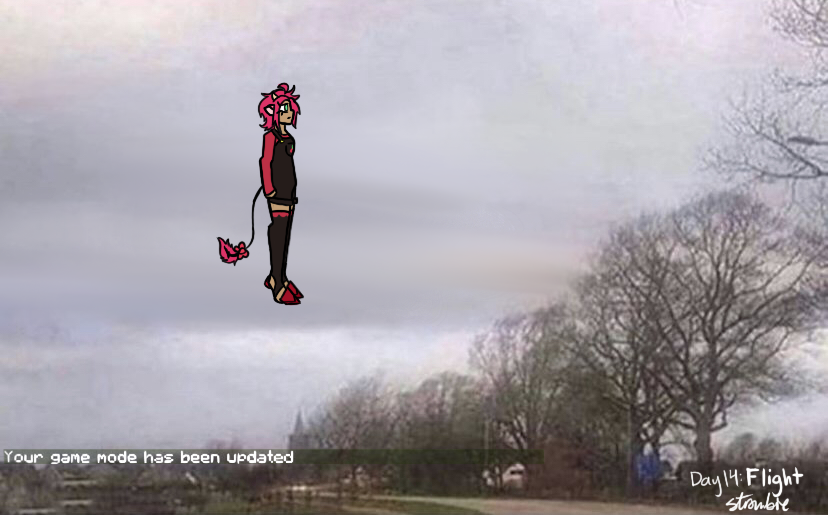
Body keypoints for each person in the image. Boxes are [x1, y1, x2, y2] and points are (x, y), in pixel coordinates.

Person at [257, 84, 304, 305]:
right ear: (273, 111)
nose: (289, 112)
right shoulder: (271, 136)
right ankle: (277, 280)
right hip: (277, 193)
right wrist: (269, 188)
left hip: (289, 190)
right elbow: (265, 161)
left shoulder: (288, 136)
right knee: (279, 233)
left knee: (285, 235)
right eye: (284, 108)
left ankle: (278, 276)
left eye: (290, 108)